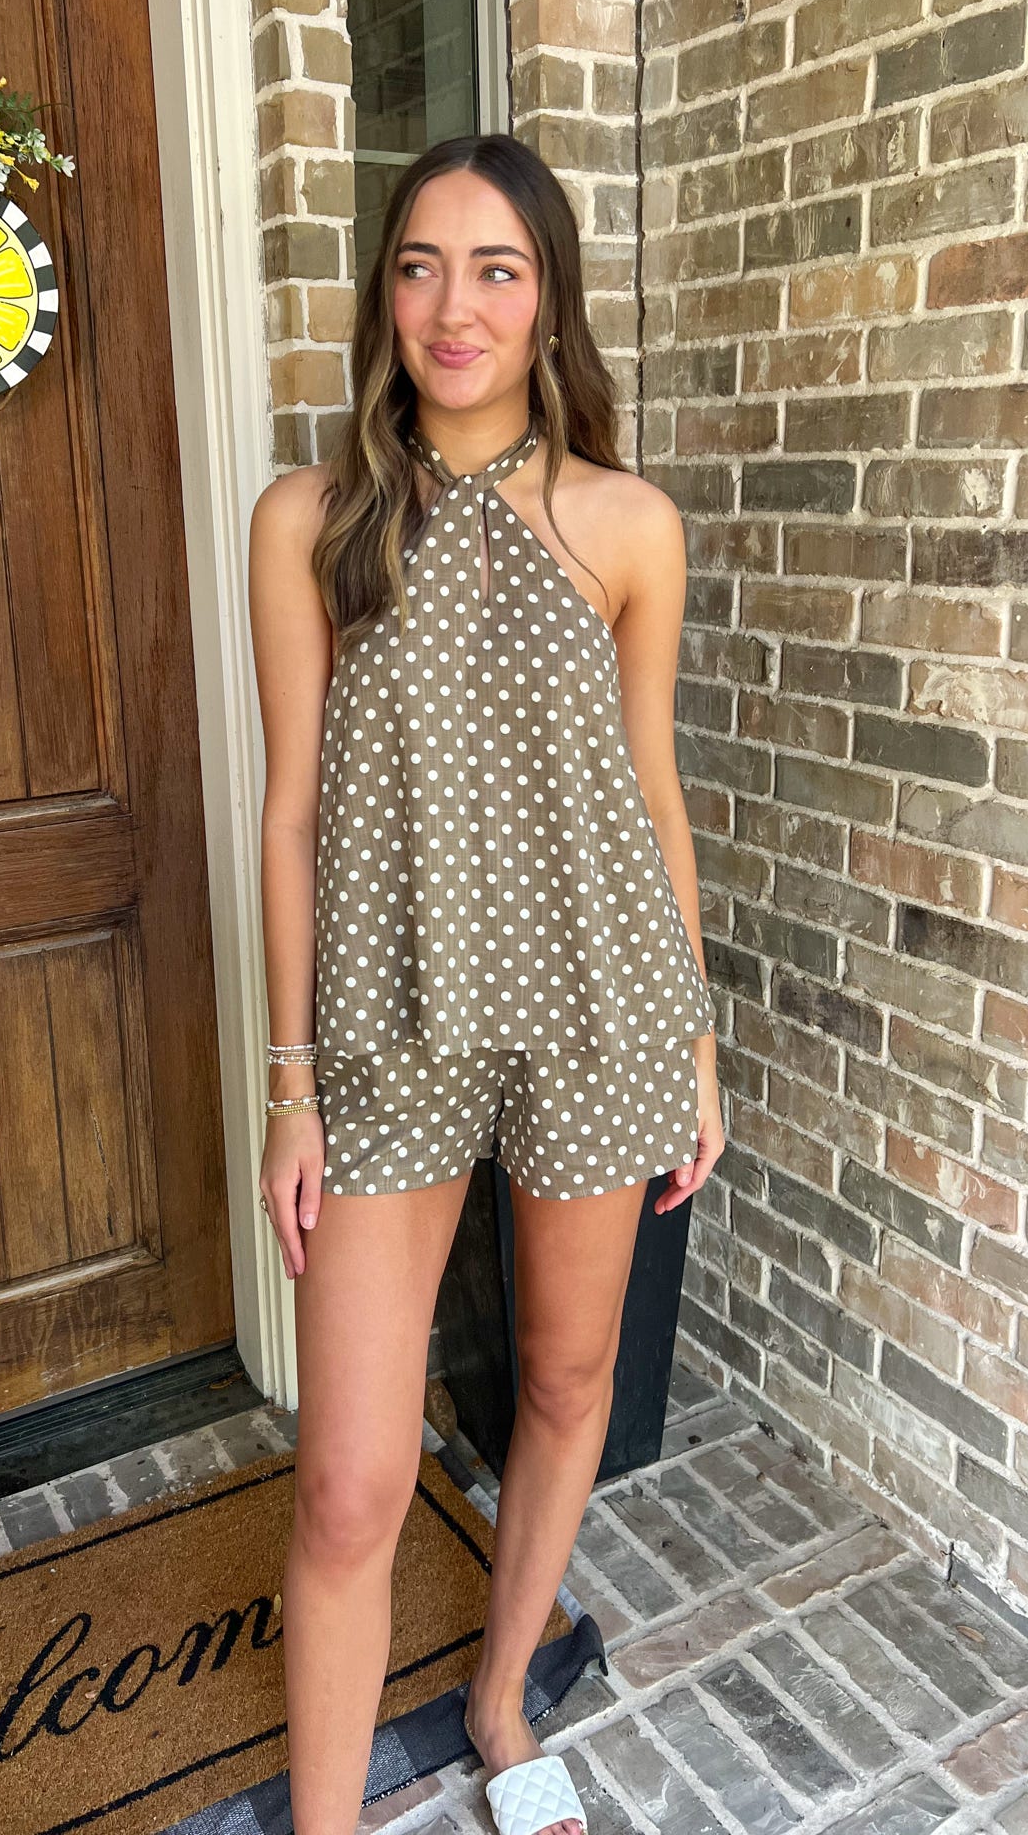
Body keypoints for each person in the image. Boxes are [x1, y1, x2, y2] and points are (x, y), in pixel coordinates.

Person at [246, 132, 723, 1835]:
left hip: (602, 1016)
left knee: (568, 1385)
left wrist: (698, 1043)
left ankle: (502, 1697)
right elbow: (294, 817)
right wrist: (289, 1087)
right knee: (351, 1486)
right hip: (387, 1034)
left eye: (499, 269)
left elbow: (652, 798)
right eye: (423, 265)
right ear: (386, 294)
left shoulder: (627, 525)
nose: (457, 306)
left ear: (548, 302)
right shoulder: (311, 523)